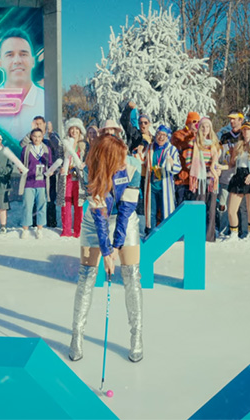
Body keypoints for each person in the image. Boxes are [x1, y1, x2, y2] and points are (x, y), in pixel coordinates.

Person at [68, 134, 145, 363]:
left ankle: (137, 336)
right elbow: (100, 216)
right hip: (95, 220)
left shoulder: (133, 166)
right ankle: (77, 335)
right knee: (86, 275)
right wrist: (106, 252)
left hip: (124, 220)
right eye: (119, 157)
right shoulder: (88, 171)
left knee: (132, 275)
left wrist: (116, 246)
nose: (124, 161)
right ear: (108, 159)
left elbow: (126, 209)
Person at [0, 29, 44, 144]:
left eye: (23, 54)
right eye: (9, 55)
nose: (17, 61)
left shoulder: (47, 101)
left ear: (33, 61)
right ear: (0, 63)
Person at [185, 117, 223, 241]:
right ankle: (197, 235)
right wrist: (203, 172)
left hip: (212, 179)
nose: (205, 129)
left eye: (207, 127)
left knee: (211, 209)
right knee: (199, 207)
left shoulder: (215, 144)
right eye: (202, 126)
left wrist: (217, 170)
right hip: (199, 179)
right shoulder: (193, 143)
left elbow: (218, 162)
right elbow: (188, 163)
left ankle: (209, 236)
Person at [19, 127, 56, 239]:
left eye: (39, 136)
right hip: (29, 182)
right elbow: (21, 163)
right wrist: (20, 169)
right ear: (31, 137)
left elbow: (50, 164)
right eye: (34, 136)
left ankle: (39, 229)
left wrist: (51, 171)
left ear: (42, 137)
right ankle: (25, 229)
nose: (37, 139)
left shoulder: (46, 149)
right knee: (27, 206)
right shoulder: (26, 149)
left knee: (41, 206)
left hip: (42, 183)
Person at [145, 125, 181, 230]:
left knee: (166, 211)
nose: (161, 137)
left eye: (164, 135)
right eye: (159, 134)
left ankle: (167, 233)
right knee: (151, 213)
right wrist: (138, 151)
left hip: (165, 186)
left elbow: (178, 168)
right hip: (152, 186)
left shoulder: (172, 150)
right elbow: (141, 159)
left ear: (167, 137)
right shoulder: (150, 148)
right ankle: (151, 234)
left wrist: (172, 163)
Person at [217, 111, 245, 236]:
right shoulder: (224, 137)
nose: (232, 121)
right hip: (226, 178)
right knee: (223, 206)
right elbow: (219, 155)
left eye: (234, 119)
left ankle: (243, 232)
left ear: (241, 120)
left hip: (241, 178)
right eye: (230, 119)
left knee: (241, 207)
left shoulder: (245, 136)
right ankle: (223, 231)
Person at [60, 118, 88, 238]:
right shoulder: (64, 144)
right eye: (72, 129)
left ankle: (78, 230)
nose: (74, 131)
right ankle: (66, 230)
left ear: (80, 131)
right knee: (65, 203)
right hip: (66, 177)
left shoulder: (84, 145)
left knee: (79, 203)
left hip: (79, 178)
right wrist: (61, 167)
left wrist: (84, 165)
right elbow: (59, 158)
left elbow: (88, 160)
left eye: (77, 129)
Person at [171, 112, 200, 205]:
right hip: (182, 179)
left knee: (193, 208)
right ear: (188, 122)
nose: (196, 124)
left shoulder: (200, 136)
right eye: (194, 121)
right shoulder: (178, 134)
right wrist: (190, 136)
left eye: (198, 122)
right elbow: (179, 144)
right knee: (180, 207)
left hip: (195, 180)